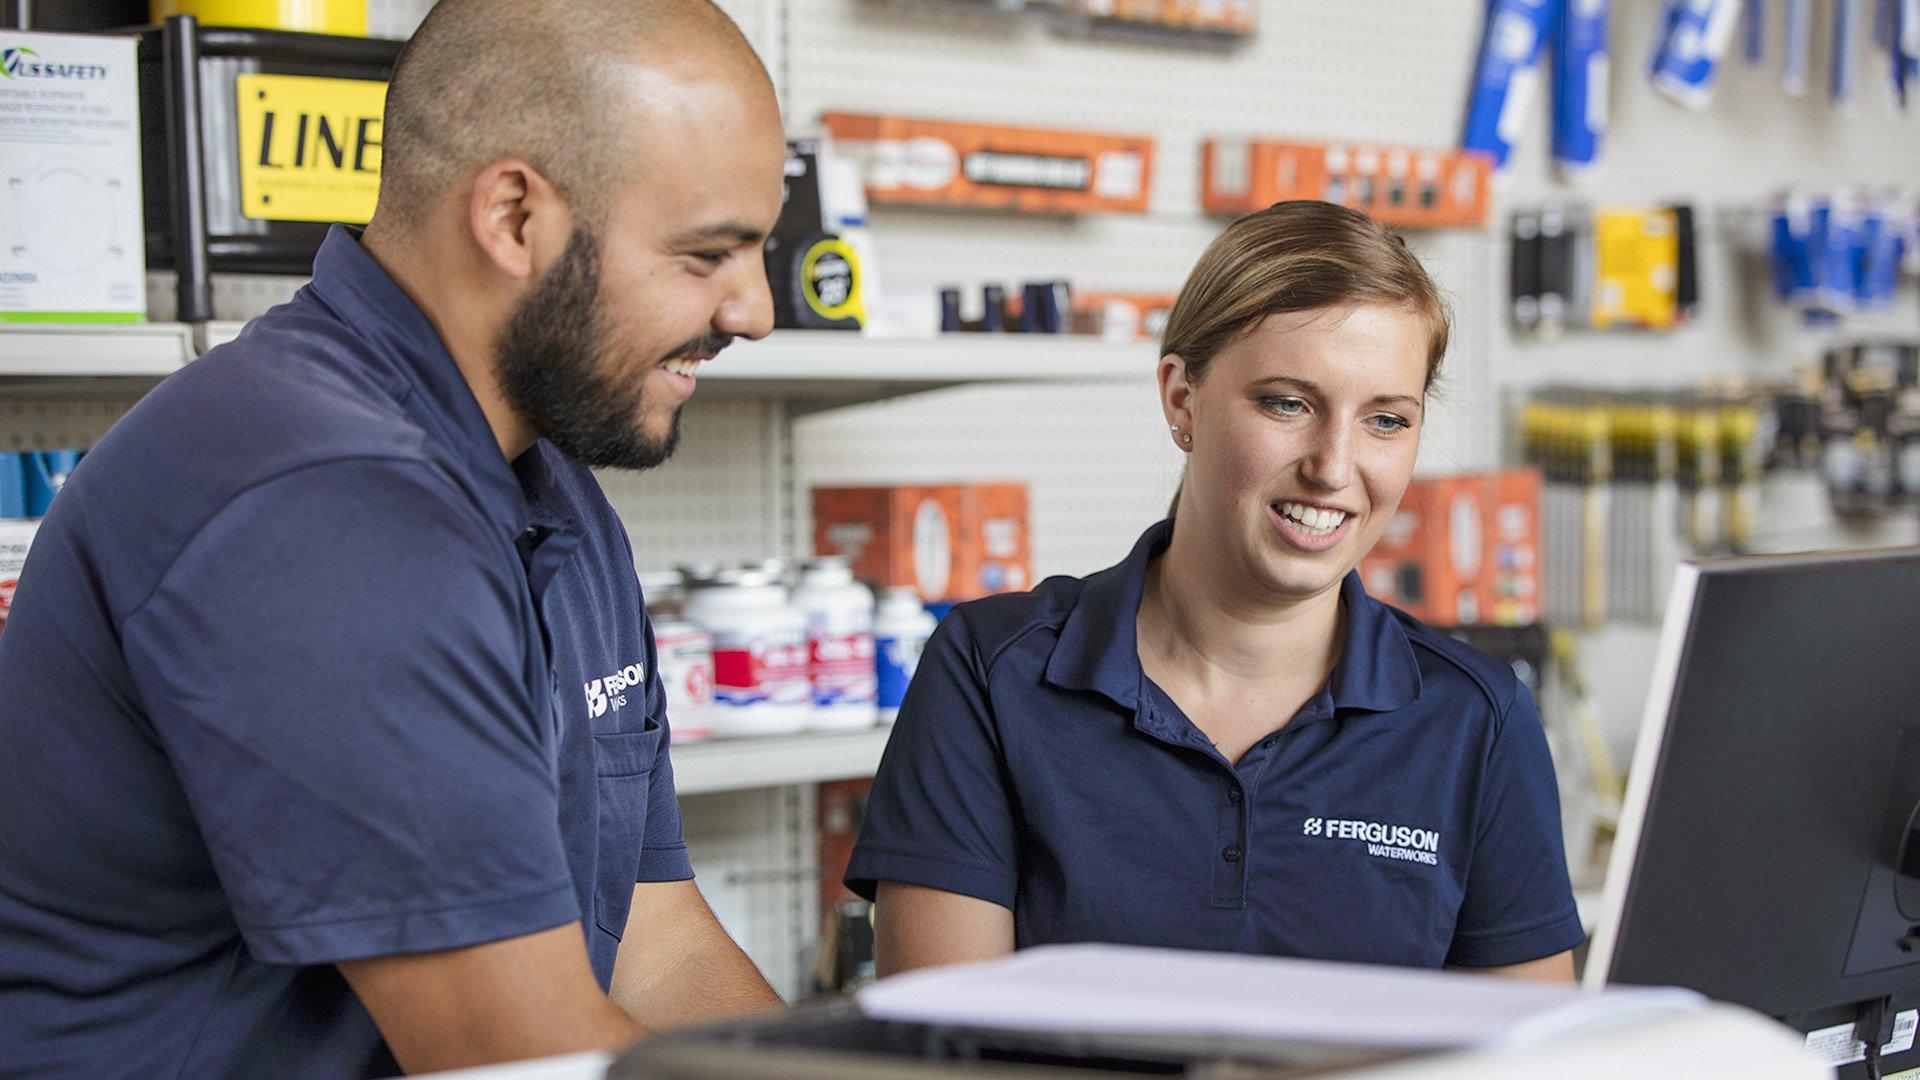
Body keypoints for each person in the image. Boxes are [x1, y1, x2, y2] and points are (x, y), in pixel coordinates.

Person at [0, 1, 789, 1075]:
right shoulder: (318, 510)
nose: (754, 311)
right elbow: (522, 1063)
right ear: (513, 218)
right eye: (707, 254)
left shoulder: (543, 482)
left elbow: (656, 946)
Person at [847, 200, 1585, 983]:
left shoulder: (1475, 716)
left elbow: (1530, 1053)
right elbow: (940, 1047)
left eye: (1386, 420)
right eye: (1287, 404)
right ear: (1181, 398)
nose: (1334, 467)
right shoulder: (995, 674)